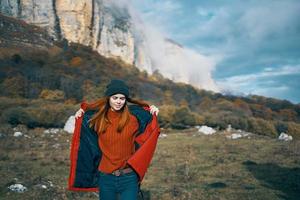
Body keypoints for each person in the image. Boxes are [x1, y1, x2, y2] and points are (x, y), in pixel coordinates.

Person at [68, 79, 160, 200]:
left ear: (126, 100)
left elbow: (149, 129)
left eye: (122, 98)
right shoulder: (98, 119)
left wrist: (152, 112)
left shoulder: (134, 119)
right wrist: (81, 113)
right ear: (108, 98)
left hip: (129, 177)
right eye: (115, 98)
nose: (118, 101)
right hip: (106, 178)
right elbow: (86, 130)